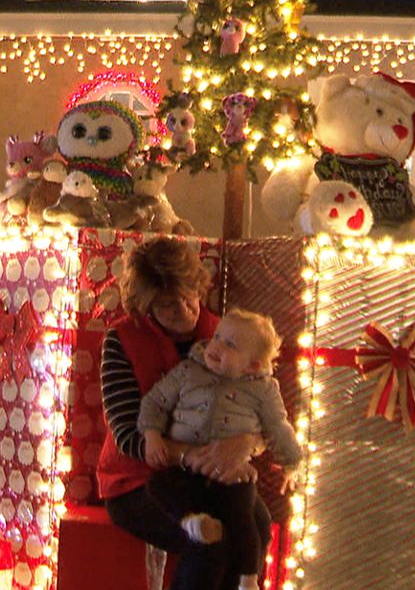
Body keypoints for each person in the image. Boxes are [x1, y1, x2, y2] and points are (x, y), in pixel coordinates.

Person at [97, 237, 274, 590]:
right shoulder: (122, 340)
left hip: (211, 480)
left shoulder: (225, 334)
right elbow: (129, 435)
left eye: (187, 295)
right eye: (167, 304)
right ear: (145, 305)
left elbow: (265, 407)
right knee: (209, 542)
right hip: (139, 482)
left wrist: (247, 444)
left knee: (257, 525)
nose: (183, 309)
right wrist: (198, 457)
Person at [139, 309, 302, 590]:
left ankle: (248, 579)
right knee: (160, 487)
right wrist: (152, 435)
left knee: (245, 519)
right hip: (185, 469)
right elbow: (154, 402)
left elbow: (277, 426)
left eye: (230, 345)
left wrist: (292, 461)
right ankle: (192, 521)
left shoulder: (263, 389)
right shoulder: (189, 371)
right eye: (217, 337)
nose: (216, 346)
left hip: (230, 473)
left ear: (252, 365)